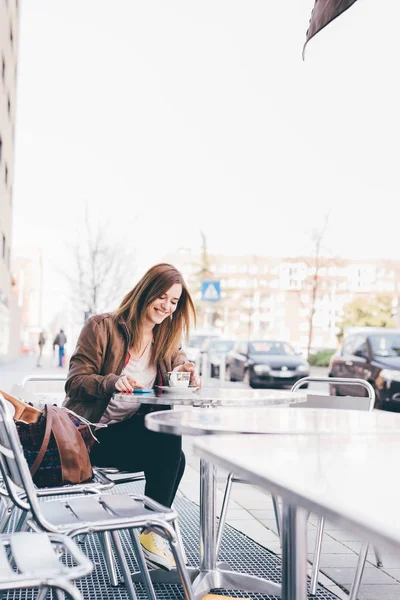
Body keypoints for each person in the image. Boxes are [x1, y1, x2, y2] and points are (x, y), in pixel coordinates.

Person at [63, 263, 200, 570]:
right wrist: (111, 382)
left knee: (171, 448)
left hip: (130, 434)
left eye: (174, 301)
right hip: (91, 435)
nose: (166, 306)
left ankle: (153, 532)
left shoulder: (166, 338)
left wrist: (185, 371)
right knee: (171, 451)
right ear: (146, 291)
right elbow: (74, 381)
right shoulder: (102, 327)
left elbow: (179, 361)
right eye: (161, 297)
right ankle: (154, 533)